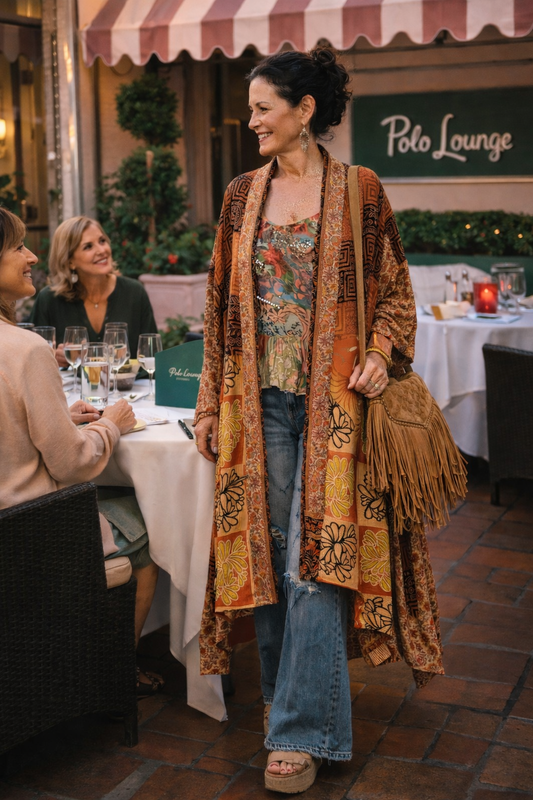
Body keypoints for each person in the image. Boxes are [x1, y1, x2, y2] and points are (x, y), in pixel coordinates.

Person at [194, 48, 443, 793]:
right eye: (252, 108)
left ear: (305, 111)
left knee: (315, 560)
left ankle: (300, 732)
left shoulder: (359, 191)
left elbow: (396, 294)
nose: (252, 121)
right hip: (255, 404)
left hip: (333, 409)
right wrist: (209, 402)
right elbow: (215, 313)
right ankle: (288, 707)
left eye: (264, 107)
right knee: (268, 556)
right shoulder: (242, 196)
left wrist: (378, 348)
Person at [0, 208, 161, 696]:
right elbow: (72, 463)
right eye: (18, 247)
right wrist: (111, 425)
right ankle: (113, 674)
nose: (31, 256)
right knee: (150, 530)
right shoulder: (25, 349)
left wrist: (54, 417)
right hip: (32, 530)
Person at [30, 216, 157, 366]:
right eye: (88, 246)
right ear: (70, 261)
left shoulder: (135, 293)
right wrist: (53, 358)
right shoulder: (49, 300)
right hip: (69, 389)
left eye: (102, 241)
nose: (102, 250)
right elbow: (33, 361)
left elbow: (153, 357)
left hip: (130, 388)